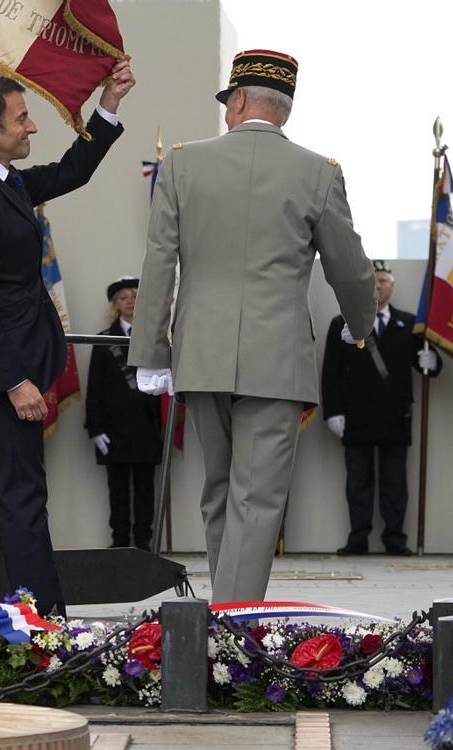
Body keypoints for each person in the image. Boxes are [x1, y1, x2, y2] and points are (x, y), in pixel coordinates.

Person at [128, 49, 376, 603]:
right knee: (257, 499)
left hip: (201, 353)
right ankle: (234, 624)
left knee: (218, 491)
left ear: (238, 100)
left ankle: (224, 614)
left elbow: (159, 263)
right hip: (276, 357)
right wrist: (361, 326)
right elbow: (350, 267)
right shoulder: (318, 172)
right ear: (283, 110)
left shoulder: (182, 164)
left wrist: (149, 351)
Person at [0, 63, 135, 615]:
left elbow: (71, 172)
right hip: (0, 376)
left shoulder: (4, 183)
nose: (31, 127)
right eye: (21, 117)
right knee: (22, 501)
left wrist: (108, 104)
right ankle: (46, 626)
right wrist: (15, 381)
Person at [322, 261, 441, 556]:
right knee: (358, 482)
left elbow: (425, 362)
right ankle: (358, 538)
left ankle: (395, 539)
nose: (378, 286)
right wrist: (333, 411)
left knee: (394, 482)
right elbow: (330, 372)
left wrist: (432, 361)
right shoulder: (343, 323)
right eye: (373, 281)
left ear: (392, 286)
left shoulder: (410, 323)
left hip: (394, 416)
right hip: (357, 416)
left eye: (384, 281)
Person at [85, 276, 162, 550]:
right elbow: (94, 387)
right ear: (115, 305)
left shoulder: (155, 338)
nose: (130, 301)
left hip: (145, 428)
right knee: (117, 491)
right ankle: (119, 545)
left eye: (135, 295)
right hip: (113, 429)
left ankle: (144, 543)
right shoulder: (104, 340)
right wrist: (94, 428)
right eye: (123, 297)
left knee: (145, 490)